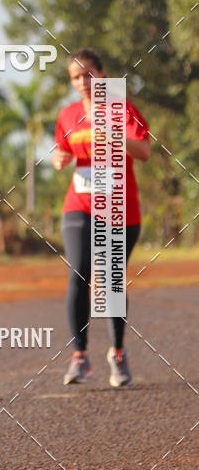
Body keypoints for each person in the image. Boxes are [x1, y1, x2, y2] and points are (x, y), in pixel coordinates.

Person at [52, 49, 150, 388]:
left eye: (89, 74)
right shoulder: (67, 115)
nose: (83, 82)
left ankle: (117, 354)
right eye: (76, 77)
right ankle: (79, 356)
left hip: (120, 209)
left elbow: (145, 151)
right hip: (78, 204)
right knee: (78, 271)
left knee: (110, 281)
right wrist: (59, 159)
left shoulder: (122, 109)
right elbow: (61, 149)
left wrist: (113, 135)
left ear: (102, 75)